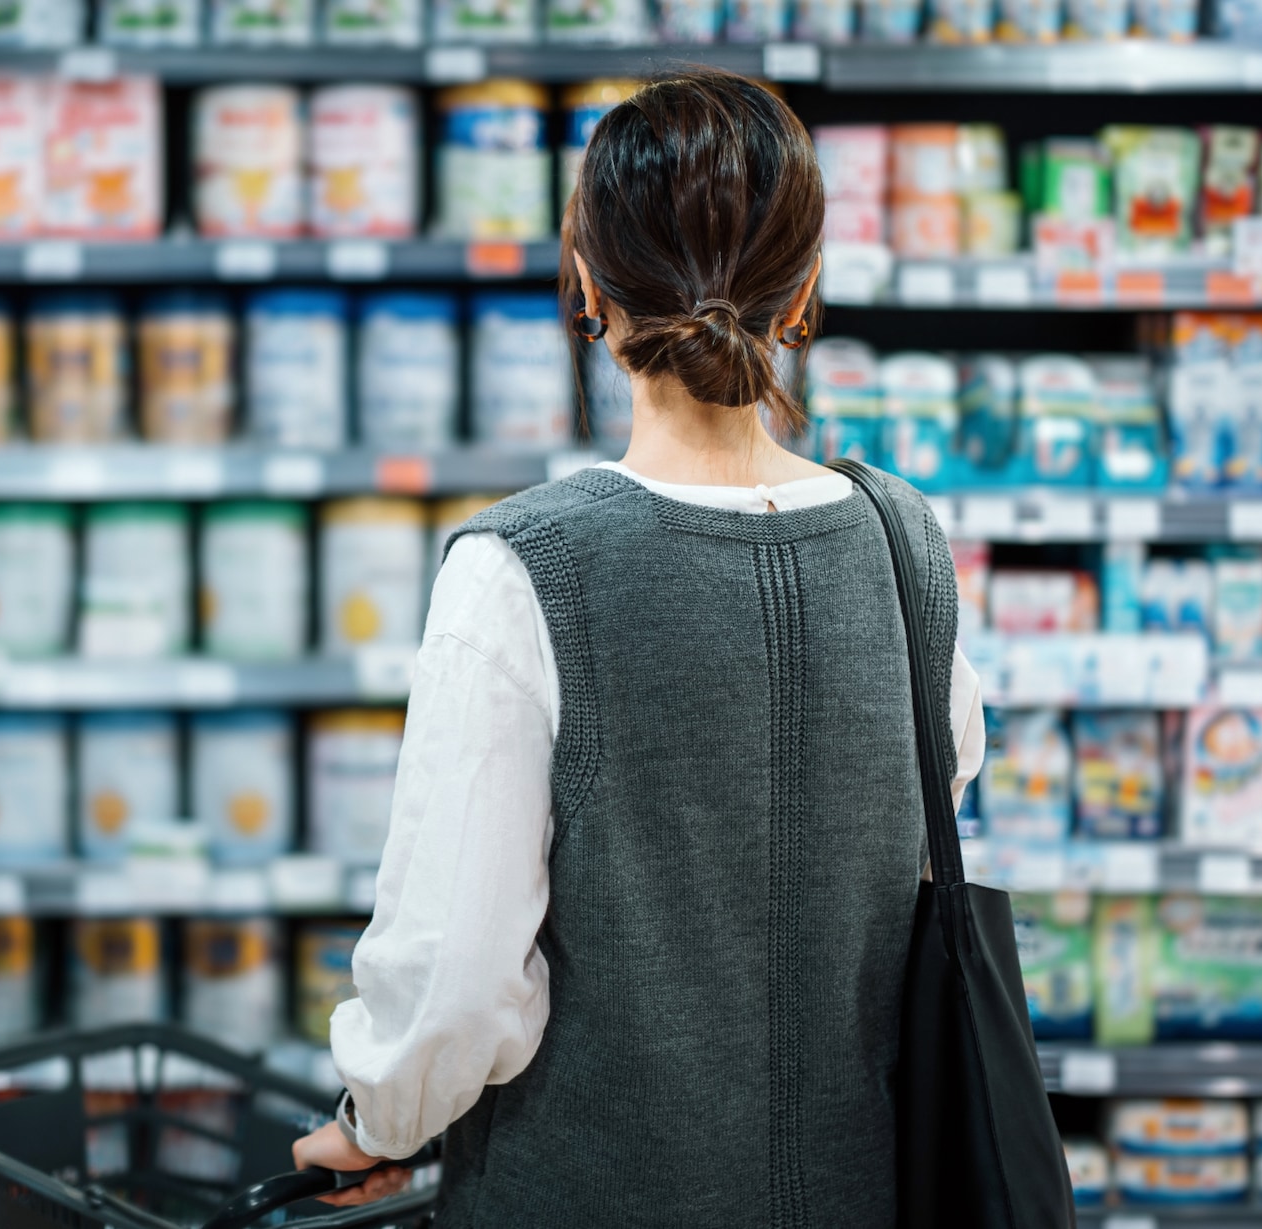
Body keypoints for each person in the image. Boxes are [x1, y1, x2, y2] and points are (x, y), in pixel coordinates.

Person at [290, 68, 986, 1225]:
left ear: (585, 290)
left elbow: (455, 984)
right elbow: (915, 843)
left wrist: (378, 1120)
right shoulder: (906, 544)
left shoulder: (521, 569)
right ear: (803, 292)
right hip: (858, 1193)